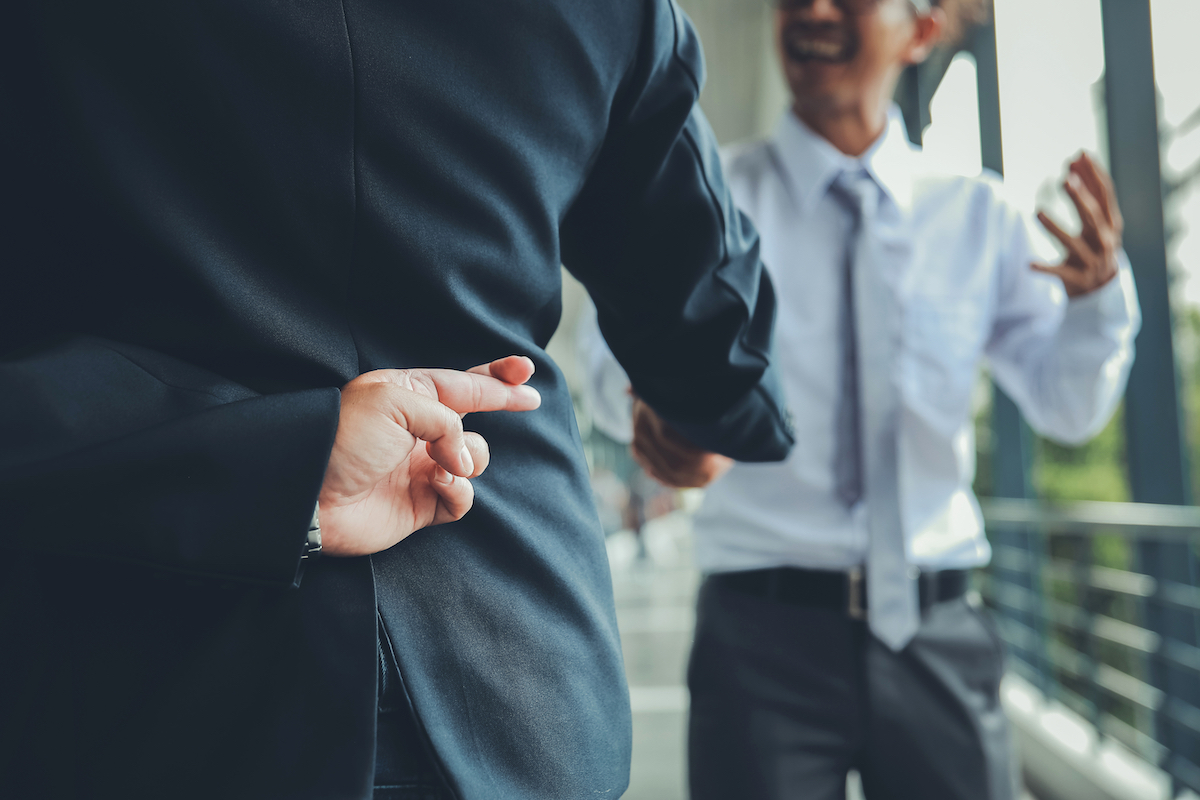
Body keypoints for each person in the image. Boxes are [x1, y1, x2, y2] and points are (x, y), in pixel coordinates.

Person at [0, 1, 795, 798]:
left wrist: (271, 465)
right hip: (517, 687)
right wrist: (703, 417)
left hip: (134, 690)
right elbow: (713, 333)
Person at [582, 0, 1141, 797]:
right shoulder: (709, 196)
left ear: (921, 31)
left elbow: (1067, 408)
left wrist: (1095, 309)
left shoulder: (980, 214)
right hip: (758, 638)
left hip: (937, 629)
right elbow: (605, 352)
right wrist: (645, 406)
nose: (812, 9)